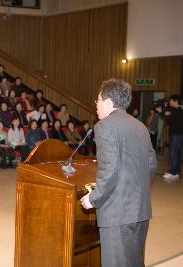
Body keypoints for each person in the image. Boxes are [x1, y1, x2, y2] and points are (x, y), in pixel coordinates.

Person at [80, 79, 157, 267]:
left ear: (108, 102)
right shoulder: (140, 126)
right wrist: (133, 192)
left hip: (117, 214)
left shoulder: (104, 126)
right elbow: (152, 164)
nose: (96, 104)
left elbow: (110, 169)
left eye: (98, 100)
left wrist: (93, 198)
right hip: (140, 210)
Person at [155, 95, 183, 182]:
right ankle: (176, 172)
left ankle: (173, 173)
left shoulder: (178, 110)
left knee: (174, 153)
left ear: (175, 101)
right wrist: (164, 113)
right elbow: (169, 118)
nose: (170, 102)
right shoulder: (177, 110)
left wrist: (161, 112)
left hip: (177, 135)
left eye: (171, 101)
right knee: (176, 154)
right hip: (177, 134)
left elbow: (169, 120)